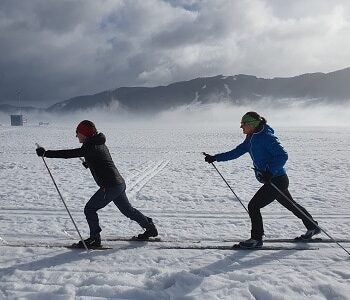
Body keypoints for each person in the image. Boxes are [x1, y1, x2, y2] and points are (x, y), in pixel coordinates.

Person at [204, 112, 320, 249]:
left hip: (276, 179)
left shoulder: (266, 137)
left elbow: (283, 155)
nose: (241, 127)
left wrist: (270, 171)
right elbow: (236, 152)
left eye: (243, 124)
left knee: (254, 206)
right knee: (290, 205)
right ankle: (312, 226)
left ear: (251, 124)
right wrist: (215, 158)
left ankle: (256, 239)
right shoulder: (251, 138)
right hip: (275, 179)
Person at [36, 120, 158, 248]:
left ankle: (95, 239)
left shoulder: (91, 147)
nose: (76, 136)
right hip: (118, 183)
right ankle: (150, 228)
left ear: (84, 133)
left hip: (111, 186)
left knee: (90, 209)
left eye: (77, 132)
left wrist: (46, 153)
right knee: (128, 210)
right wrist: (89, 163)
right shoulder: (98, 144)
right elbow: (103, 160)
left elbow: (69, 154)